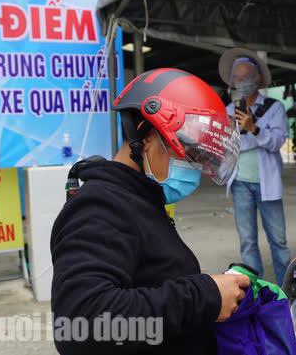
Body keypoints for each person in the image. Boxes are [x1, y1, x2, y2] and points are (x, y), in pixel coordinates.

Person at [51, 68, 249, 355]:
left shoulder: (139, 199)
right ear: (146, 137)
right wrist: (204, 296)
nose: (193, 168)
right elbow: (81, 325)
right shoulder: (99, 207)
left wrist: (210, 290)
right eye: (188, 154)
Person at [218, 48, 290, 285]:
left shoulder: (274, 107)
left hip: (266, 183)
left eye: (244, 77)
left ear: (257, 79)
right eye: (235, 78)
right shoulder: (228, 111)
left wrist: (253, 128)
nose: (239, 82)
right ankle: (256, 290)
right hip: (240, 183)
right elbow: (226, 146)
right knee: (247, 241)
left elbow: (277, 141)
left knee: (278, 241)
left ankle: (287, 290)